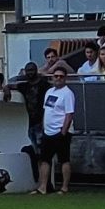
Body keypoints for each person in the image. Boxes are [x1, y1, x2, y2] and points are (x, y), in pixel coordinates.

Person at [35, 64, 76, 195]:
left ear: (65, 78)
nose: (58, 78)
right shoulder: (49, 92)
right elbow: (46, 110)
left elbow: (69, 114)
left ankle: (64, 187)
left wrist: (63, 132)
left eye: (61, 76)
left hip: (60, 131)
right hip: (48, 131)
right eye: (56, 76)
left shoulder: (68, 93)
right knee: (45, 159)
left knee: (64, 159)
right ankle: (42, 187)